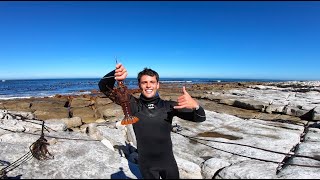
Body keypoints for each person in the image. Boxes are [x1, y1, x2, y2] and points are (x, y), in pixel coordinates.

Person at [98, 63, 206, 179]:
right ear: (139, 85)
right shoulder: (132, 104)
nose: (148, 86)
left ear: (158, 85)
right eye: (144, 82)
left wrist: (196, 106)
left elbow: (200, 118)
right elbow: (103, 86)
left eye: (152, 82)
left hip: (168, 163)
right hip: (146, 165)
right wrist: (115, 74)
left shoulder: (169, 106)